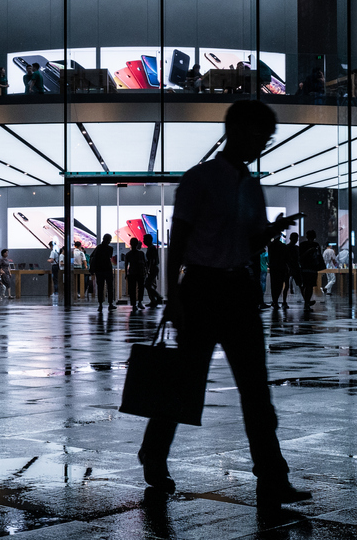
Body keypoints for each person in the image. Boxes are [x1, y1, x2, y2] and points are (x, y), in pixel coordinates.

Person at [139, 99, 309, 507]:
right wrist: (172, 297)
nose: (262, 145)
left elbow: (248, 244)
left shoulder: (252, 185)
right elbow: (177, 242)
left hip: (239, 291)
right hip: (201, 290)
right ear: (237, 131)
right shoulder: (200, 179)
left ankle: (272, 476)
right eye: (259, 136)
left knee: (255, 390)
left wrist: (271, 232)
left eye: (267, 138)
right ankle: (154, 454)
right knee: (186, 383)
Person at [90, 233, 116, 310]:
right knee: (110, 287)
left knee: (100, 287)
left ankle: (100, 304)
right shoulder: (110, 249)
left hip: (99, 270)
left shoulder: (98, 248)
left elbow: (92, 256)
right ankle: (110, 303)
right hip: (107, 269)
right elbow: (110, 257)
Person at [299, 229, 324, 307]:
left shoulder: (303, 245)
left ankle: (306, 301)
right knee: (310, 286)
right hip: (312, 268)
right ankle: (307, 301)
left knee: (305, 285)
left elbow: (300, 256)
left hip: (305, 268)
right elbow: (319, 256)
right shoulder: (316, 245)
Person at [267, 233, 291, 308]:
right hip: (281, 267)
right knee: (279, 284)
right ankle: (276, 301)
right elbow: (286, 258)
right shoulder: (283, 246)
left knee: (273, 284)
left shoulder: (271, 246)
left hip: (273, 267)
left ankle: (275, 301)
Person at [142, 233, 164, 306]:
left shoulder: (151, 248)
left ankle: (158, 296)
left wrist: (149, 269)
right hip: (152, 268)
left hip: (152, 269)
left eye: (144, 239)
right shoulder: (151, 248)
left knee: (147, 284)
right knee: (150, 285)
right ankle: (153, 301)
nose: (143, 241)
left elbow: (152, 260)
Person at [126, 237, 147, 309]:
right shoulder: (141, 253)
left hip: (132, 273)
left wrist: (126, 274)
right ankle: (140, 302)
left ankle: (134, 304)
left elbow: (126, 265)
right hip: (140, 273)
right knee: (140, 288)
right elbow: (145, 263)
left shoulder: (128, 254)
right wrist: (146, 272)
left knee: (132, 289)